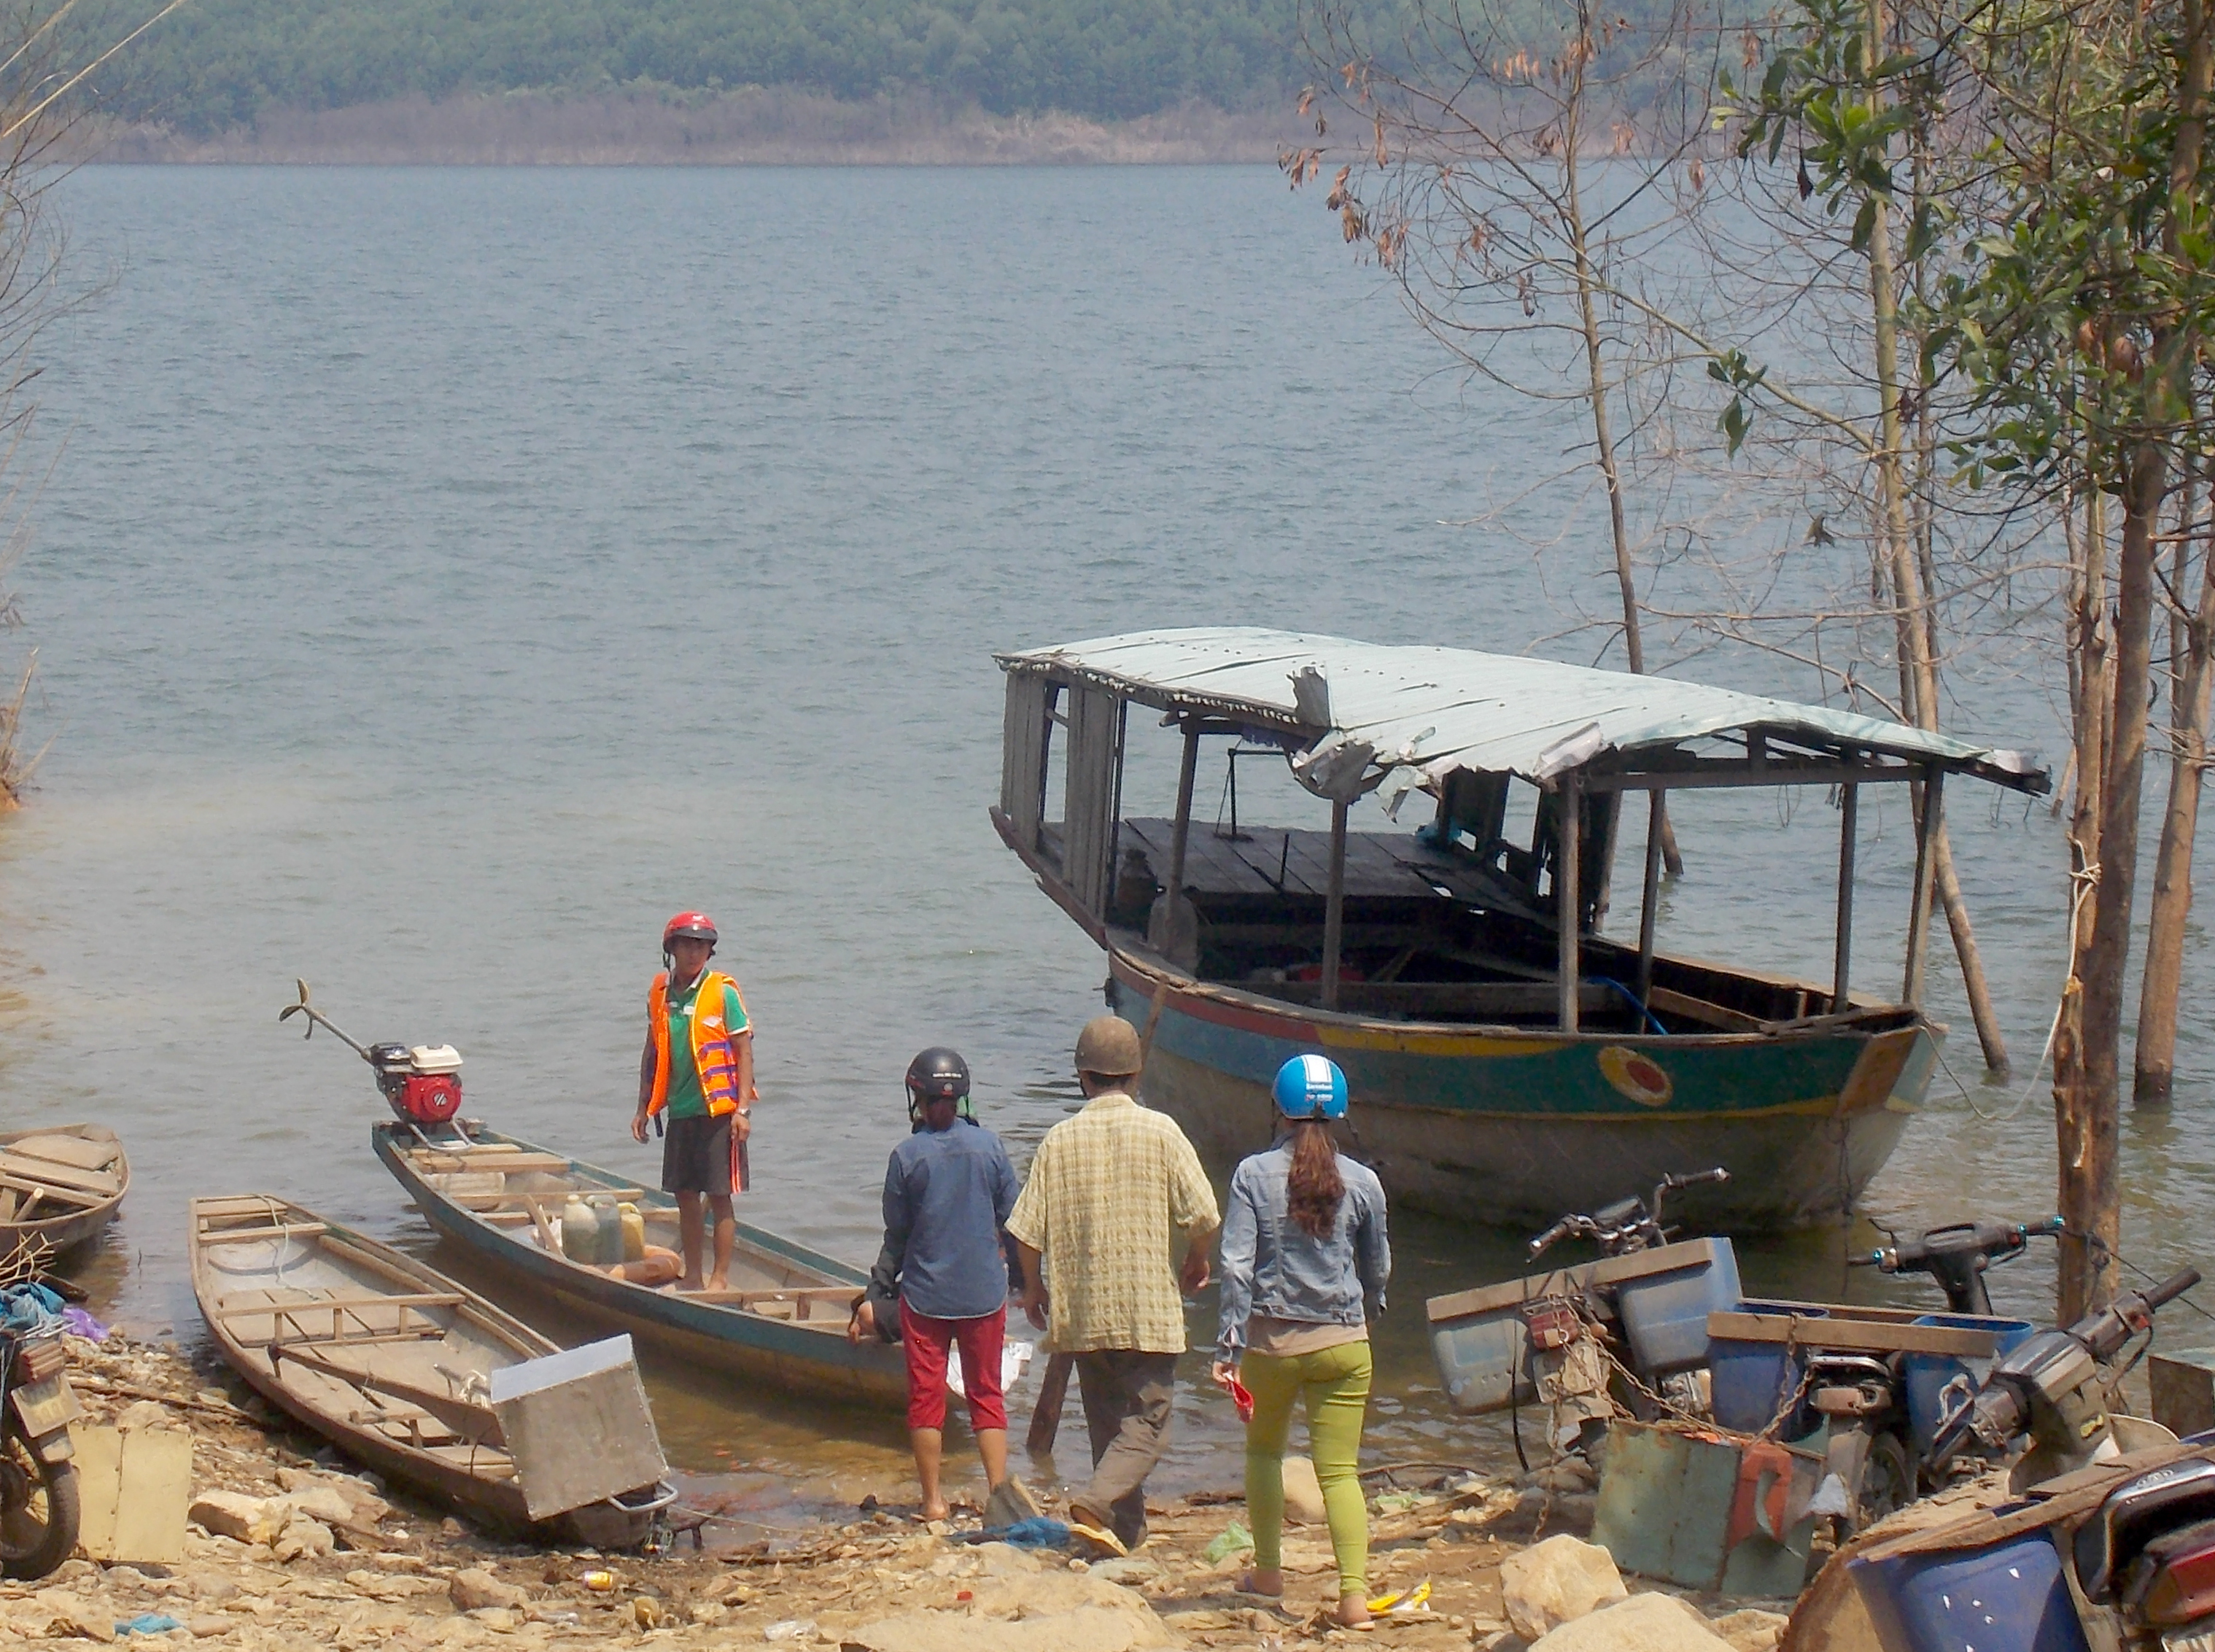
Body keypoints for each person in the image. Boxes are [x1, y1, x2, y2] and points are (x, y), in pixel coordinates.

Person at [1006, 1015, 1219, 1556]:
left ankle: (1124, 1535)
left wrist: (1033, 1289)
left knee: (1109, 1429)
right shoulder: (1161, 1130)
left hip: (1082, 1311)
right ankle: (1096, 1505)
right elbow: (1204, 1214)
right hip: (1145, 1306)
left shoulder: (1058, 1139)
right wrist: (1197, 1259)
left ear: (1083, 1076)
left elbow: (1025, 1232)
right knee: (1148, 1424)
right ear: (1136, 1074)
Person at [1210, 1053, 1389, 1629]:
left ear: (1278, 1108)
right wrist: (1368, 1315)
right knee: (1339, 1472)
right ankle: (1354, 1598)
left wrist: (1227, 1347)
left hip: (1273, 1345)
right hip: (1345, 1344)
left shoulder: (1251, 1174)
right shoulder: (1364, 1180)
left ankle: (1267, 1574)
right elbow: (1377, 1267)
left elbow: (1237, 1266)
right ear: (1339, 1110)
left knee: (1263, 1454)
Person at [847, 1047, 1021, 1521]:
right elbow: (1014, 1222)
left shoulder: (906, 1156)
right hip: (984, 1294)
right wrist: (1026, 1285)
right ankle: (999, 1496)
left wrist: (874, 1295)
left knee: (926, 1398)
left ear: (918, 1099)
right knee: (987, 1395)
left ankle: (933, 1502)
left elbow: (896, 1238)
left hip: (925, 1300)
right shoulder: (990, 1147)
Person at [631, 911, 754, 1292]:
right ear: (672, 949)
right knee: (686, 1196)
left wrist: (742, 1110)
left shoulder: (722, 992)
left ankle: (719, 1279)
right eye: (686, 944)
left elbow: (743, 1051)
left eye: (701, 946)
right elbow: (652, 1052)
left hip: (719, 1112)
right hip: (681, 1110)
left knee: (719, 1197)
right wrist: (642, 1108)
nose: (693, 953)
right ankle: (694, 1277)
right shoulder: (661, 994)